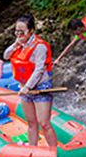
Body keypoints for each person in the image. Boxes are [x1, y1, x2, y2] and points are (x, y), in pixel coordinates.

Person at [4, 14, 57, 148]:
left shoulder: (40, 47)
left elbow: (39, 69)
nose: (19, 34)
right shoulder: (19, 44)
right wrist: (16, 44)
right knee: (31, 122)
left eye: (22, 31)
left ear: (31, 30)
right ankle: (33, 149)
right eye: (17, 31)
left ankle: (54, 152)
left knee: (44, 123)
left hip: (40, 87)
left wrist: (28, 87)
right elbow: (6, 55)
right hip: (24, 86)